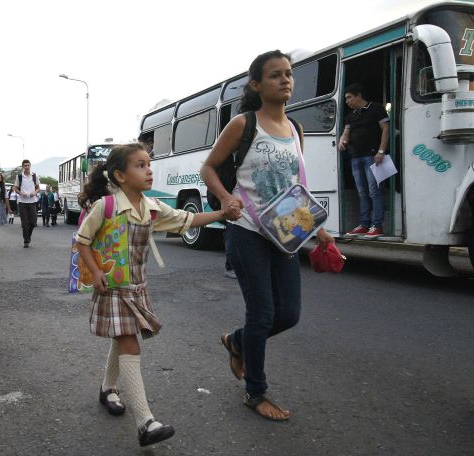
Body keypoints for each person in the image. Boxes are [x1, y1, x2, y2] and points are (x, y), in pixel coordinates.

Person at [75, 143, 240, 447]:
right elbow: (82, 240)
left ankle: (107, 388)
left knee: (122, 337)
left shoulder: (152, 208)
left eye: (149, 164)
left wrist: (222, 212)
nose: (149, 170)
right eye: (140, 165)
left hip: (137, 287)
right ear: (120, 176)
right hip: (111, 289)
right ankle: (145, 423)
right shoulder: (106, 207)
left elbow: (186, 219)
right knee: (129, 343)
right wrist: (96, 273)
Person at [201, 50, 334, 421]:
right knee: (262, 312)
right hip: (246, 231)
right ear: (257, 85)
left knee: (288, 314)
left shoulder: (296, 130)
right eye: (275, 75)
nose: (285, 80)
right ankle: (255, 392)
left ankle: (236, 341)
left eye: (288, 74)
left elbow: (296, 187)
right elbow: (209, 167)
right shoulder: (243, 125)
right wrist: (227, 198)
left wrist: (318, 229)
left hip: (284, 231)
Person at [338, 82, 390, 238]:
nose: (347, 101)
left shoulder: (376, 109)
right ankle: (364, 224)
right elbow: (345, 133)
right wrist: (342, 140)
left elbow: (386, 129)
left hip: (372, 156)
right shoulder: (351, 115)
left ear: (358, 95)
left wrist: (381, 151)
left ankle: (377, 225)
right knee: (362, 192)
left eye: (349, 97)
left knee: (375, 191)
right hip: (355, 157)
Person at [13, 159, 40, 247]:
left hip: (32, 201)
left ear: (30, 166)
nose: (27, 167)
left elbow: (38, 188)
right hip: (22, 201)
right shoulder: (19, 177)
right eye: (25, 166)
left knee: (33, 222)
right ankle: (26, 240)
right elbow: (15, 188)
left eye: (28, 165)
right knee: (24, 223)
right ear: (23, 167)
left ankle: (28, 236)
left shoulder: (35, 176)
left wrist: (34, 193)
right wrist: (21, 193)